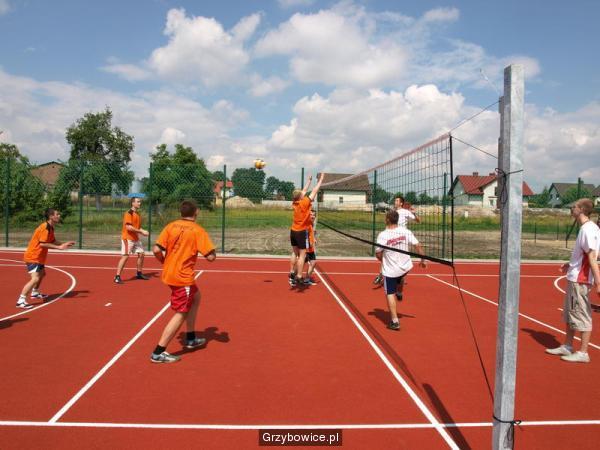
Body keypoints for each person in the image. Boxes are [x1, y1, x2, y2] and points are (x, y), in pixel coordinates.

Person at [150, 200, 216, 363]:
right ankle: (158, 352)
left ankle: (191, 338)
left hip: (169, 273)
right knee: (181, 312)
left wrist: (164, 262)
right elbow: (211, 257)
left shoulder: (170, 226)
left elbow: (156, 249)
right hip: (182, 277)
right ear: (196, 212)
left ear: (181, 212)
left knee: (196, 297)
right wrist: (211, 250)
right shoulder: (197, 230)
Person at [546, 198, 600, 363]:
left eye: (574, 206)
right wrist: (570, 264)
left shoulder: (588, 230)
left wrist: (598, 282)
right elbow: (584, 255)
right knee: (570, 313)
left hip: (580, 279)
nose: (571, 208)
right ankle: (568, 346)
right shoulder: (586, 228)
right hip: (575, 276)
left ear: (582, 209)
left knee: (581, 314)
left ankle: (583, 353)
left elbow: (592, 257)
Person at [375, 210, 426, 330]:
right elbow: (417, 245)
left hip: (391, 271)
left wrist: (383, 260)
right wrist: (423, 259)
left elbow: (378, 254)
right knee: (401, 275)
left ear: (387, 220)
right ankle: (400, 287)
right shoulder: (405, 231)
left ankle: (395, 321)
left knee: (389, 293)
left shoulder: (383, 235)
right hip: (405, 267)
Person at [16, 208, 75, 309]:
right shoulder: (45, 228)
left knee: (42, 274)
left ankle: (34, 292)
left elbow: (52, 240)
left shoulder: (50, 228)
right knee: (35, 278)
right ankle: (21, 300)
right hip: (33, 256)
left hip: (39, 257)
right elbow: (42, 244)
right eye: (57, 214)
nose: (59, 216)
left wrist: (63, 244)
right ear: (51, 216)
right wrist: (59, 248)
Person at [373, 195, 420, 285]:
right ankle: (381, 275)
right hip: (391, 235)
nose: (395, 202)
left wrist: (414, 213)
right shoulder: (393, 212)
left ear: (401, 203)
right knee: (386, 255)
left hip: (401, 238)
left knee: (401, 258)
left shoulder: (406, 212)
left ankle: (399, 278)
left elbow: (418, 220)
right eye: (395, 201)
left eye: (397, 201)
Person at [289, 173, 324, 287]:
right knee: (302, 255)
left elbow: (304, 191)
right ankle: (299, 275)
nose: (303, 193)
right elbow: (314, 191)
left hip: (293, 231)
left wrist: (309, 181)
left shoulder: (295, 202)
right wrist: (321, 180)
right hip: (301, 232)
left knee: (295, 253)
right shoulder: (304, 202)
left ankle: (292, 272)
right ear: (301, 196)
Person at [114, 197, 150, 284]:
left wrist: (143, 231)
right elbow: (128, 227)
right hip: (127, 238)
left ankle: (139, 273)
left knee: (141, 254)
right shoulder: (128, 213)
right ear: (133, 203)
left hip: (135, 238)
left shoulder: (137, 215)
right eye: (138, 202)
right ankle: (117, 277)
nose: (140, 203)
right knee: (125, 256)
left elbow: (138, 227)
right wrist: (141, 232)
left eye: (140, 202)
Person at [303, 209, 318, 285]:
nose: (312, 216)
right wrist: (307, 246)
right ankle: (293, 276)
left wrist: (314, 239)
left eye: (314, 215)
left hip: (310, 247)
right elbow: (305, 236)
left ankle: (306, 279)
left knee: (313, 262)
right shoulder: (307, 224)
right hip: (306, 247)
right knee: (302, 263)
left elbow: (310, 234)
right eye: (311, 214)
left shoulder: (312, 224)